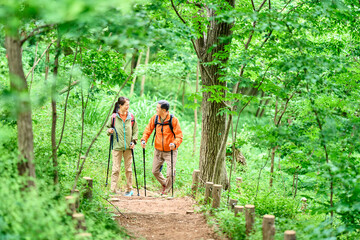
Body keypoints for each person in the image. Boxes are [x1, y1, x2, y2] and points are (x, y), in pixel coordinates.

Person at [141, 100, 183, 195]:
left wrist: (174, 144)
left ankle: (167, 192)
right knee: (155, 171)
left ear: (164, 110)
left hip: (170, 151)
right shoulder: (155, 118)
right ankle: (166, 184)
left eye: (157, 108)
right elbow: (148, 130)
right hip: (158, 150)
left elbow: (179, 136)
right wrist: (143, 140)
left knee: (170, 172)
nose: (156, 109)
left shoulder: (173, 120)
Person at [106, 97, 138, 196]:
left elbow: (135, 131)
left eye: (128, 105)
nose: (128, 107)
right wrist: (109, 131)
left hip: (128, 148)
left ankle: (129, 190)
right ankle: (113, 190)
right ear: (120, 106)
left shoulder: (131, 117)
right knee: (116, 169)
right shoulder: (114, 117)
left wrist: (134, 141)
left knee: (128, 169)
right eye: (126, 105)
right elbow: (107, 128)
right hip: (117, 147)